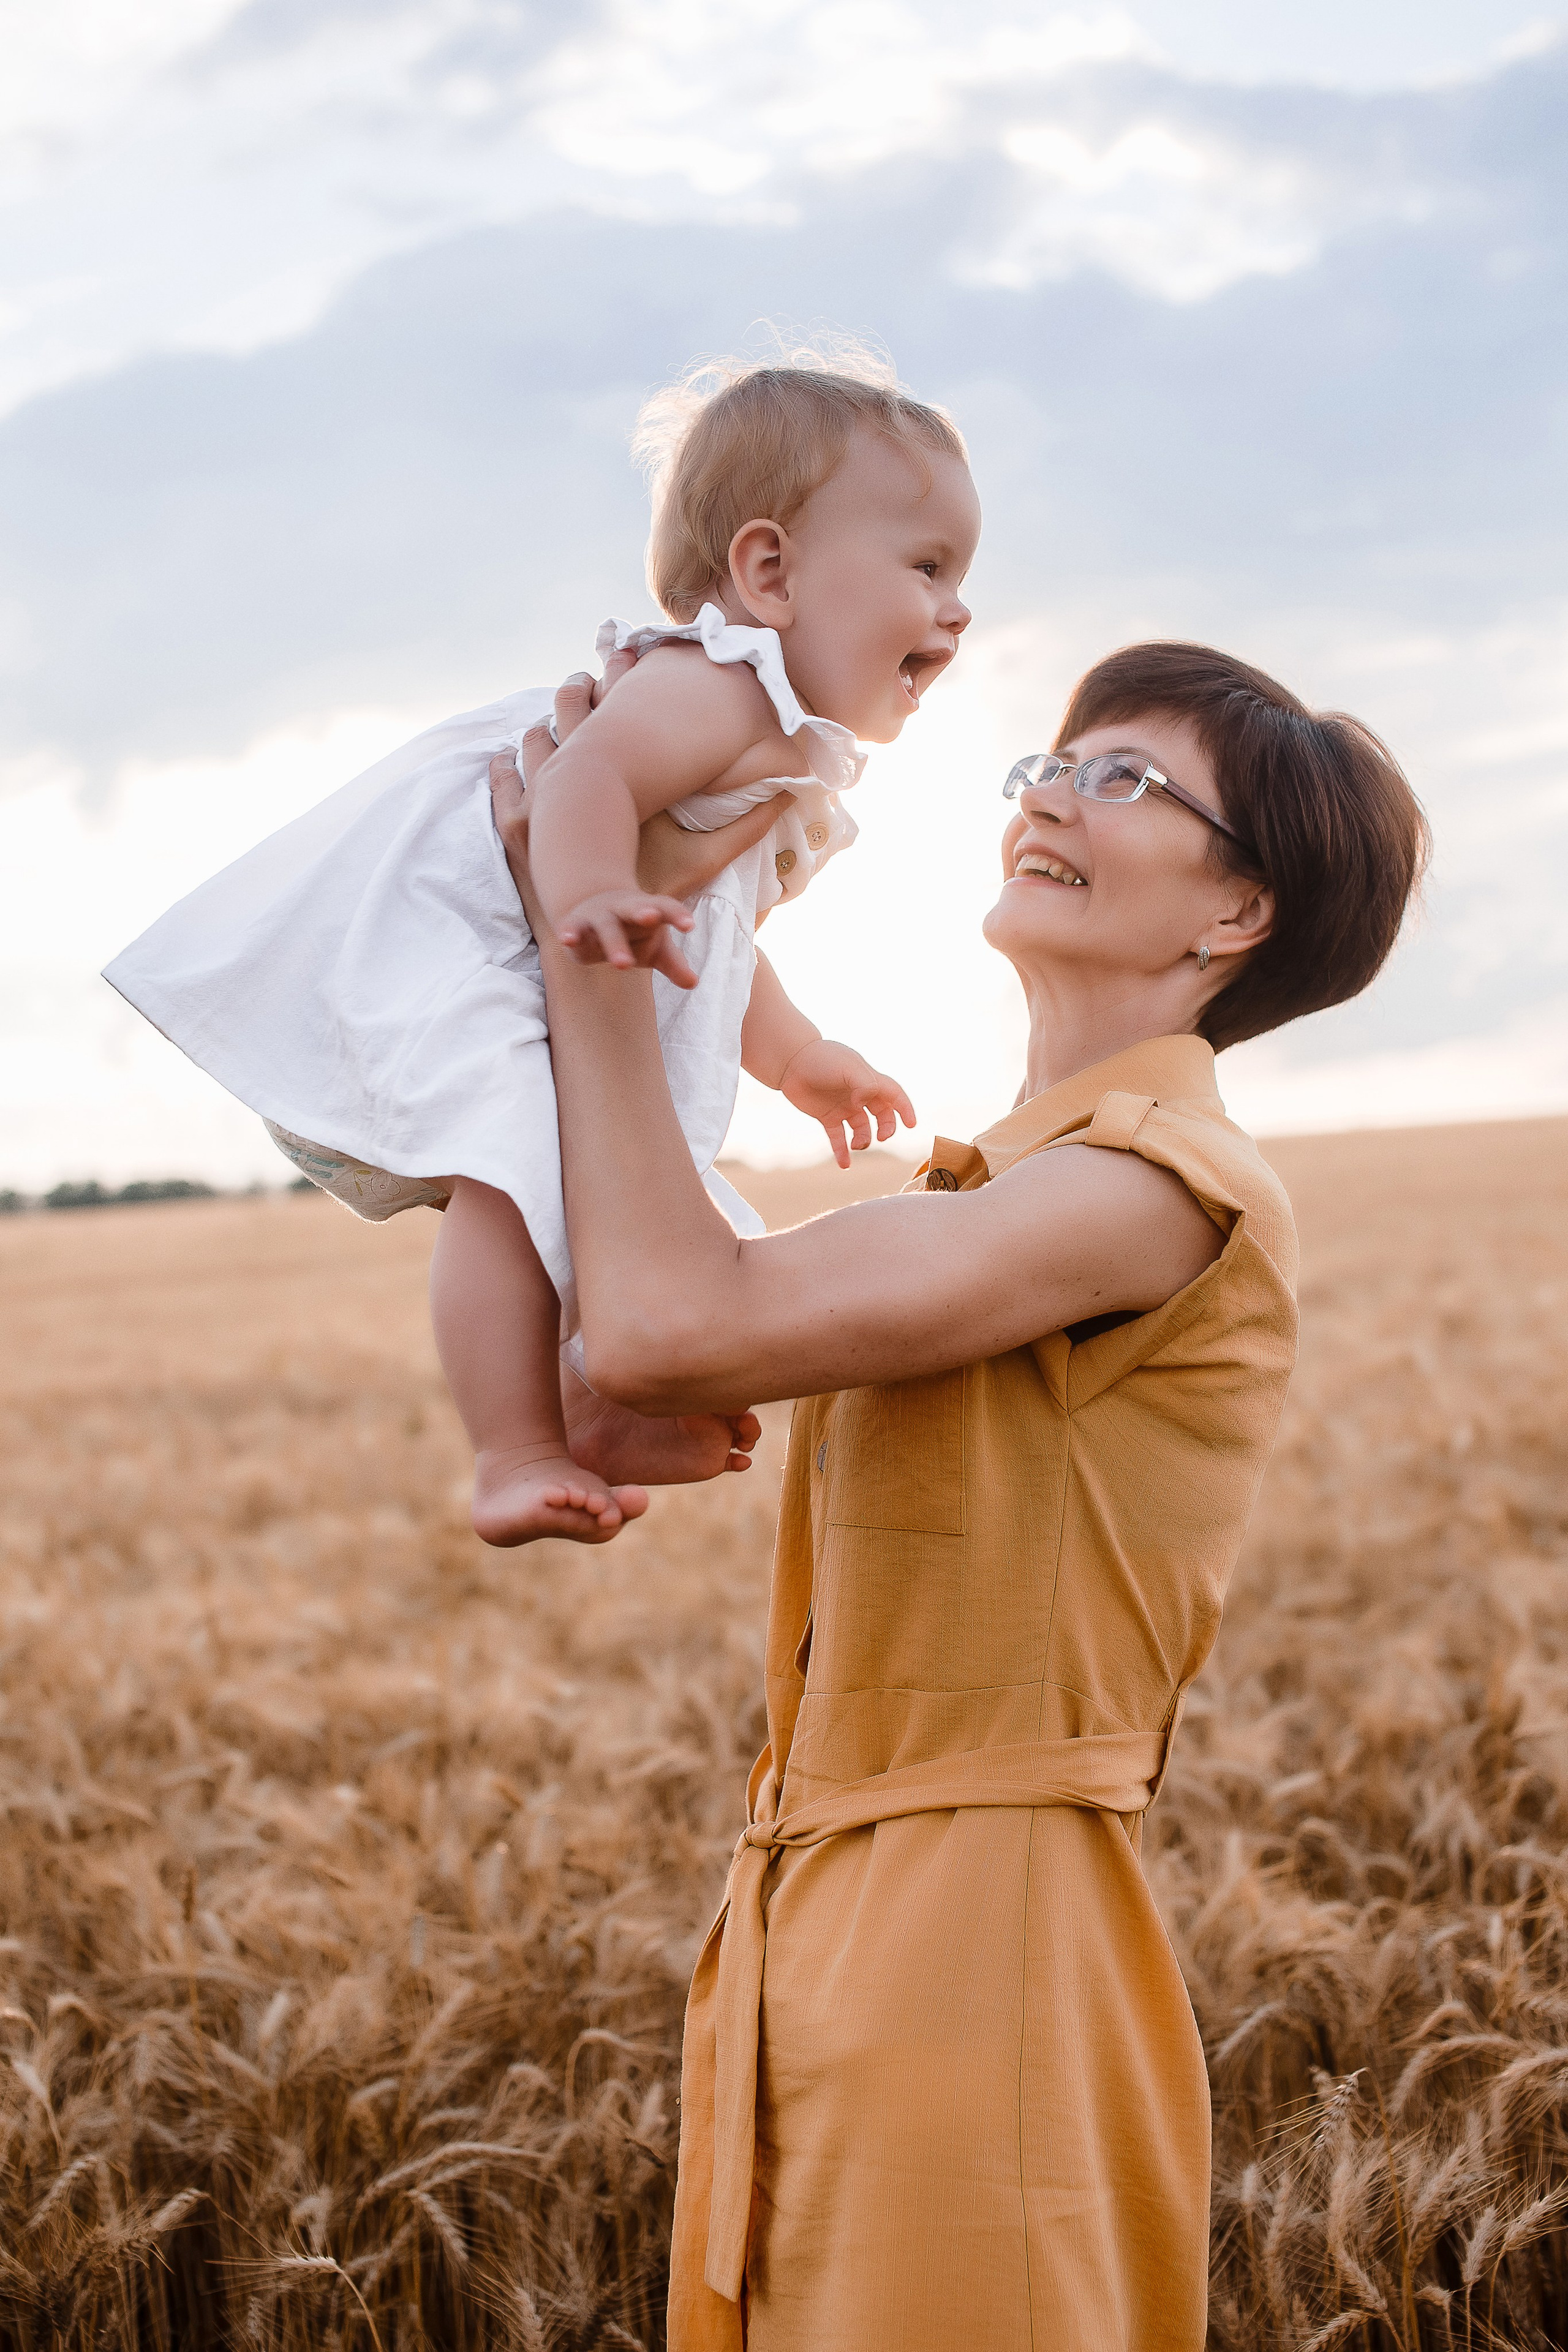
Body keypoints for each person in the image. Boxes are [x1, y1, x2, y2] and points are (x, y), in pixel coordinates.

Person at [488, 637, 1431, 2350]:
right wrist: (646, 872)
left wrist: (596, 918)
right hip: (808, 1924)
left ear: (1236, 918)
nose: (1056, 791)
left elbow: (661, 1324)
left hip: (975, 1943)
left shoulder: (1155, 1190)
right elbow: (612, 1347)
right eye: (1054, 763)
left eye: (1132, 780)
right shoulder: (990, 1190)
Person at [102, 354, 980, 1545]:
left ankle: (596, 1400)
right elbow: (580, 784)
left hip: (547, 936)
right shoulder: (716, 690)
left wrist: (799, 1055)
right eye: (926, 566)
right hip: (454, 940)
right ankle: (511, 1449)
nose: (956, 607)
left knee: (635, 1210)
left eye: (960, 577)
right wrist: (593, 895)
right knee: (511, 1179)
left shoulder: (770, 739)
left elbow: (714, 939)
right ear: (767, 571)